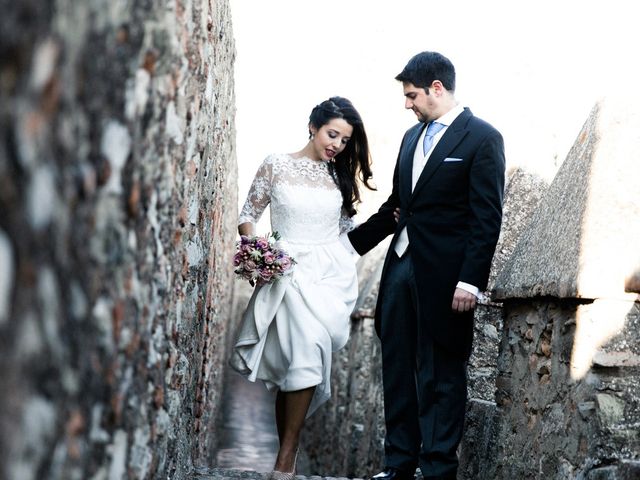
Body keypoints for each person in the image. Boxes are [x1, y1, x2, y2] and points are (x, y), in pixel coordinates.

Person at [343, 52, 505, 480]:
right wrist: (343, 247)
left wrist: (471, 281)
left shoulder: (482, 138)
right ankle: (398, 466)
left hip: (447, 278)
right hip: (398, 268)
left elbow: (486, 217)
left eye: (412, 95)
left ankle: (435, 470)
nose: (407, 104)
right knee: (396, 368)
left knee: (440, 374)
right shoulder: (411, 139)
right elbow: (398, 208)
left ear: (437, 88)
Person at [229, 97, 375, 480]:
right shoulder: (277, 164)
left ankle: (285, 457)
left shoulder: (338, 177)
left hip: (326, 278)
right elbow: (248, 215)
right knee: (304, 357)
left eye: (345, 140)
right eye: (333, 134)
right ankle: (286, 460)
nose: (338, 146)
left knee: (303, 360)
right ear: (313, 126)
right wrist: (257, 250)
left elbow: (344, 234)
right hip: (285, 273)